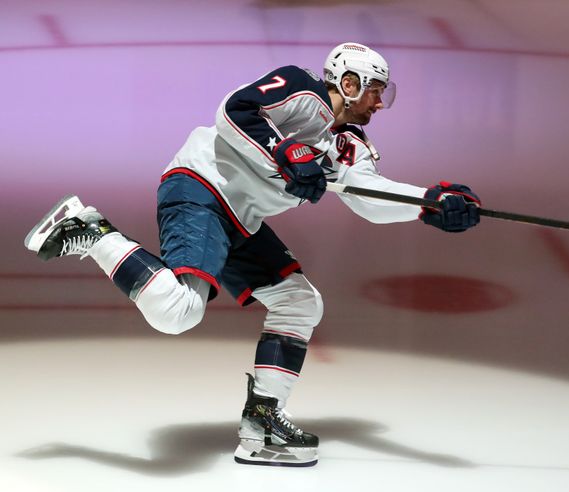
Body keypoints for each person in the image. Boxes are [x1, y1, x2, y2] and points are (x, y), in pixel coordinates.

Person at [23, 42, 481, 467]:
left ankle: (261, 422)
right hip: (202, 186)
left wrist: (429, 203)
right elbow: (235, 109)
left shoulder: (350, 147)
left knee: (300, 302)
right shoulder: (301, 89)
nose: (380, 103)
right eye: (376, 91)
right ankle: (92, 230)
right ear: (349, 83)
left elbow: (367, 196)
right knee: (178, 311)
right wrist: (284, 150)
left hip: (240, 219)